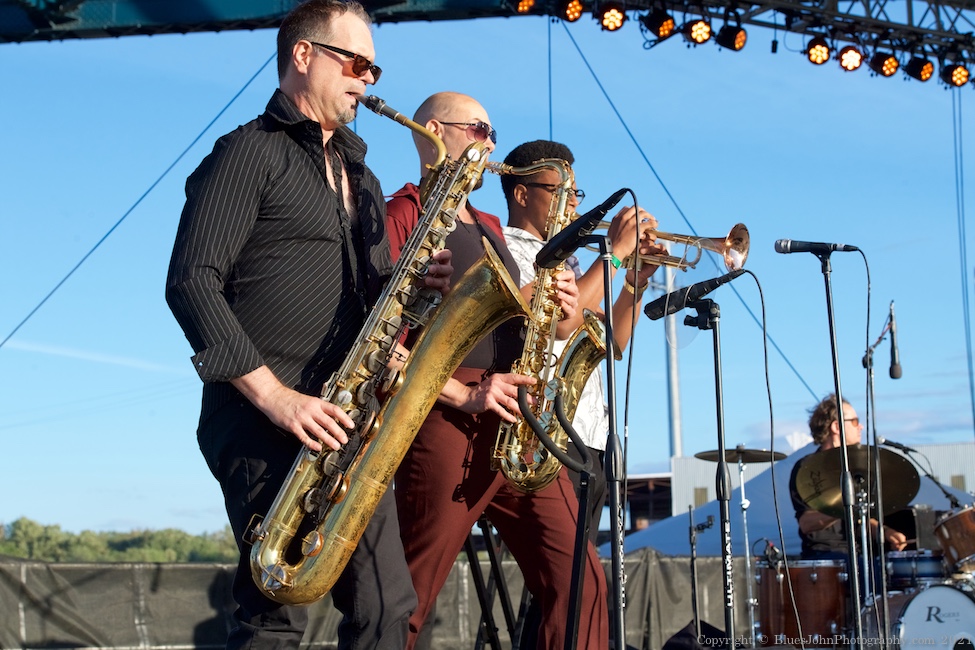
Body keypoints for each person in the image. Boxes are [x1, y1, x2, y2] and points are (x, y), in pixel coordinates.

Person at [165, 2, 452, 648]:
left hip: (347, 422)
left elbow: (375, 300)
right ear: (304, 56)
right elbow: (191, 282)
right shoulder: (247, 153)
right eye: (356, 64)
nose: (368, 80)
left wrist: (417, 300)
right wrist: (276, 398)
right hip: (264, 419)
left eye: (374, 69)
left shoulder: (364, 176)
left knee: (387, 606)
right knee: (275, 616)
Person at [385, 91, 609, 650]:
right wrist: (464, 394)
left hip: (519, 424)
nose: (491, 142)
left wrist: (553, 303)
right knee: (408, 597)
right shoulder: (403, 213)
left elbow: (538, 323)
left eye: (492, 131)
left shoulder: (488, 223)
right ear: (435, 130)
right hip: (449, 420)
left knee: (585, 587)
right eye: (480, 129)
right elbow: (382, 338)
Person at [500, 139, 662, 542]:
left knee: (569, 580)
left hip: (588, 435)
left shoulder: (571, 259)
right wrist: (617, 254)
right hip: (545, 433)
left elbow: (615, 340)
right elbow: (560, 323)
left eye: (576, 193)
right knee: (569, 577)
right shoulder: (509, 249)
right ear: (522, 194)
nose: (572, 203)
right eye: (561, 191)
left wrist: (633, 282)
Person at [789, 394, 908, 559]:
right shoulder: (808, 469)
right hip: (824, 555)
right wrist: (842, 508)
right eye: (854, 421)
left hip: (858, 553)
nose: (861, 427)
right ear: (836, 427)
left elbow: (861, 517)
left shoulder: (858, 467)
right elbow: (806, 524)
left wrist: (886, 532)